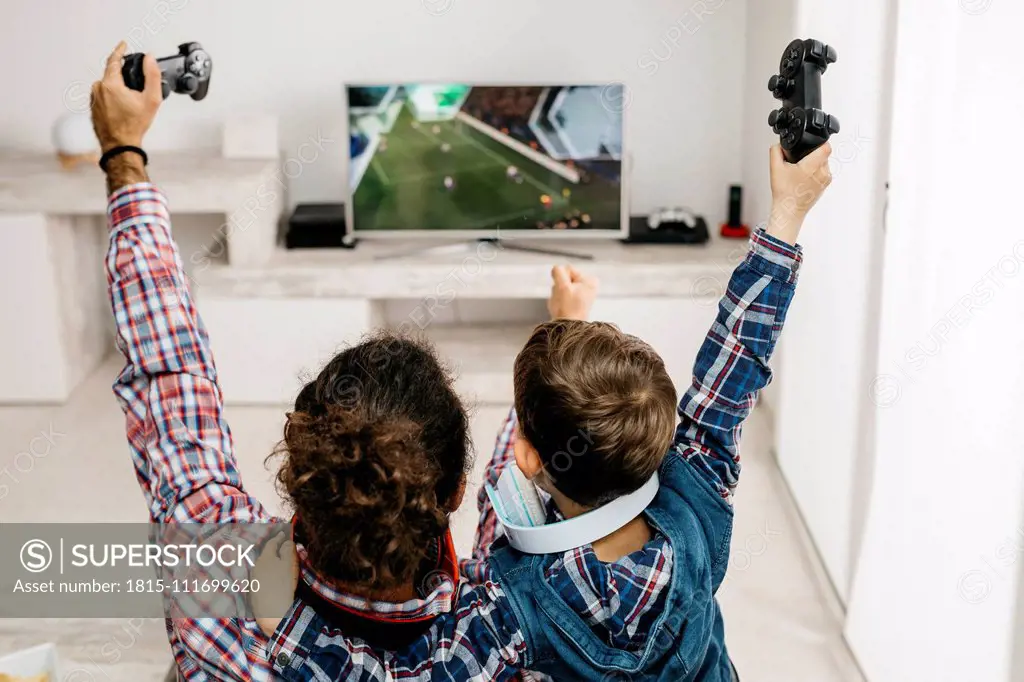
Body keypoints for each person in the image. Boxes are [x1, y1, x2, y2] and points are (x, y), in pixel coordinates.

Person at [93, 37, 831, 680]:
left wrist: (124, 157)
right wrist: (788, 212)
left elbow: (170, 379)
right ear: (451, 494)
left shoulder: (483, 624)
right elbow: (734, 370)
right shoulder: (492, 604)